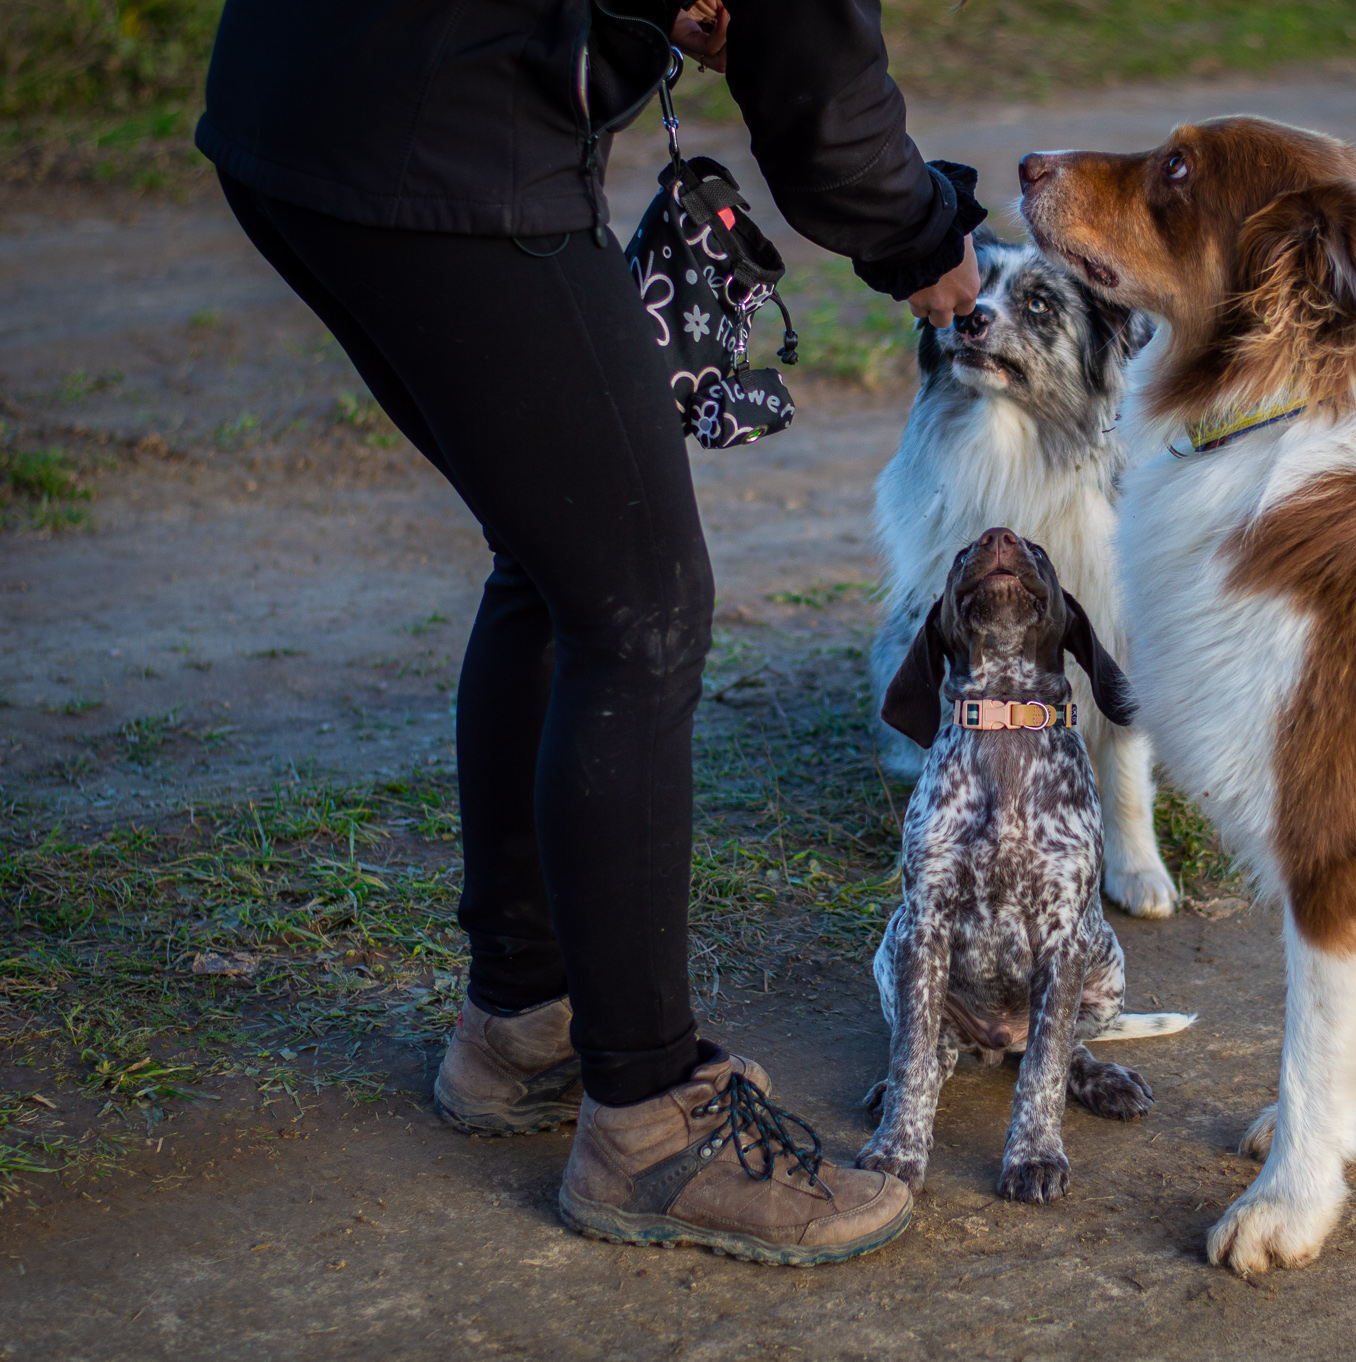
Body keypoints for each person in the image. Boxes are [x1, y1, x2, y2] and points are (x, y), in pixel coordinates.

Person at [194, 0, 985, 1265]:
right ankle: (649, 1121)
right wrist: (927, 234)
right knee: (639, 614)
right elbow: (821, 99)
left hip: (298, 96)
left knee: (566, 565)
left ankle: (523, 1022)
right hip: (450, 142)